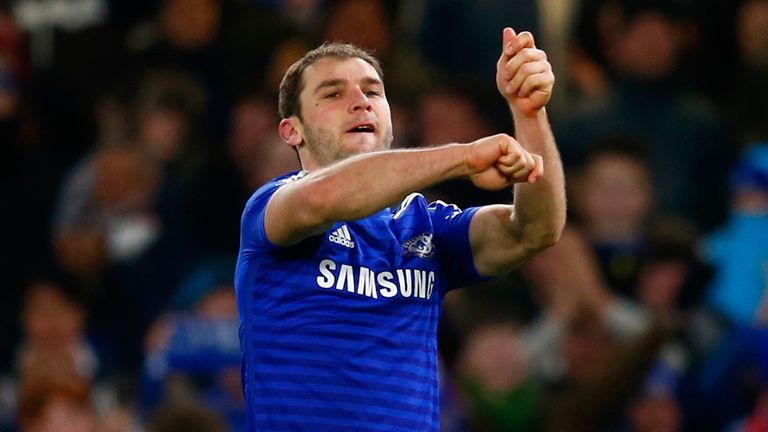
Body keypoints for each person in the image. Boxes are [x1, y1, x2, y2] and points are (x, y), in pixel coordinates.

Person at [234, 27, 565, 431]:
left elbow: (534, 231)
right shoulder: (271, 205)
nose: (360, 102)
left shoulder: (427, 226)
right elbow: (325, 199)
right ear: (292, 130)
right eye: (333, 94)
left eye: (373, 92)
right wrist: (462, 157)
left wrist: (529, 114)